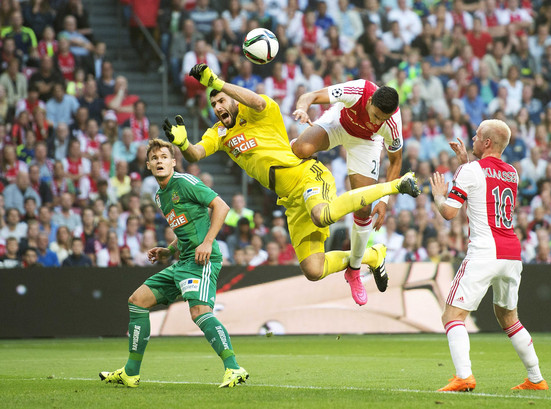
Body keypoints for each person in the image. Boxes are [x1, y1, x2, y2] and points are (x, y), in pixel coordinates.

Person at [162, 63, 420, 306]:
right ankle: (372, 256)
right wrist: (183, 145)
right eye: (214, 103)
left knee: (323, 215)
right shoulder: (218, 132)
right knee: (313, 270)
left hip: (307, 176)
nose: (218, 106)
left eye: (222, 100)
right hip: (290, 197)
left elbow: (256, 100)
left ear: (234, 98)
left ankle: (398, 186)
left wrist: (218, 82)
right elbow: (195, 154)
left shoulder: (261, 111)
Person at [100, 138, 248, 389]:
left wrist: (208, 242)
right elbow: (185, 230)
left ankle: (234, 368)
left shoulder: (185, 182)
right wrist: (169, 251)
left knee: (199, 312)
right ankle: (131, 372)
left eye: (164, 157)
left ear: (173, 162)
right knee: (137, 301)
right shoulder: (160, 196)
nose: (159, 161)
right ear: (148, 165)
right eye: (154, 158)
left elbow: (220, 206)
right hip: (183, 261)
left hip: (203, 259)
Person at [430, 119, 548, 392]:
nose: (472, 138)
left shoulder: (471, 171)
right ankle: (535, 378)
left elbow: (449, 212)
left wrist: (438, 195)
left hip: (484, 250)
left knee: (452, 316)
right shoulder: (512, 173)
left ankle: (464, 377)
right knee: (509, 318)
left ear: (486, 142)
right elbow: (485, 183)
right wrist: (465, 163)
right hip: (511, 253)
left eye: (476, 136)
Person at [291, 79, 404, 294]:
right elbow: (311, 96)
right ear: (369, 101)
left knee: (364, 209)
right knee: (301, 148)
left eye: (383, 118)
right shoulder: (358, 90)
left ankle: (354, 270)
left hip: (366, 143)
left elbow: (396, 161)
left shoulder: (392, 124)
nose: (377, 121)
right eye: (376, 115)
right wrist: (302, 109)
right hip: (339, 123)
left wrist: (384, 200)